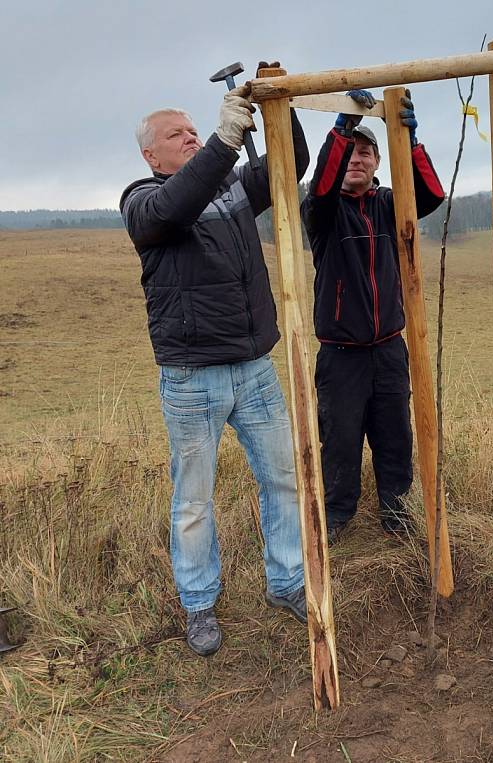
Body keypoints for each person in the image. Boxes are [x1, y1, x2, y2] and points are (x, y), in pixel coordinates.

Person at [120, 70, 309, 657]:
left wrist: (280, 104)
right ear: (151, 152)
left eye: (197, 130)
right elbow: (177, 206)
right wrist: (227, 139)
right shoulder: (143, 201)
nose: (193, 138)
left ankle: (288, 582)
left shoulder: (228, 186)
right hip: (192, 379)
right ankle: (199, 605)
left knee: (283, 479)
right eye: (180, 134)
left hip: (254, 369)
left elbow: (289, 163)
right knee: (194, 501)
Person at [301, 89, 445, 544]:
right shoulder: (322, 211)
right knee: (340, 439)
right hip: (340, 355)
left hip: (387, 350)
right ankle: (338, 515)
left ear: (380, 162)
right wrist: (342, 128)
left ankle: (396, 512)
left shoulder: (389, 204)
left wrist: (411, 141)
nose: (357, 160)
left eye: (367, 152)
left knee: (394, 436)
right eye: (351, 153)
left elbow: (432, 195)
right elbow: (322, 183)